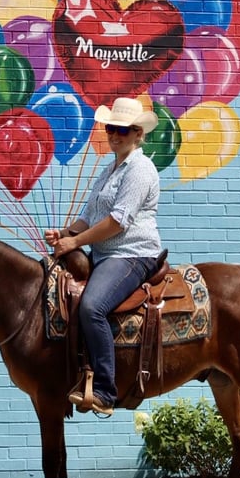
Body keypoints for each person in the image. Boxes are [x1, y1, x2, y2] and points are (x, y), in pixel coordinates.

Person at [44, 96, 163, 416]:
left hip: (132, 254)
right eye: (111, 128)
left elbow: (117, 222)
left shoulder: (140, 168)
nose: (114, 135)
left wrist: (76, 242)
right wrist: (66, 233)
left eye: (122, 130)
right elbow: (90, 217)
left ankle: (105, 391)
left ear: (139, 133)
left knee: (93, 307)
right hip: (105, 254)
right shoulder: (109, 169)